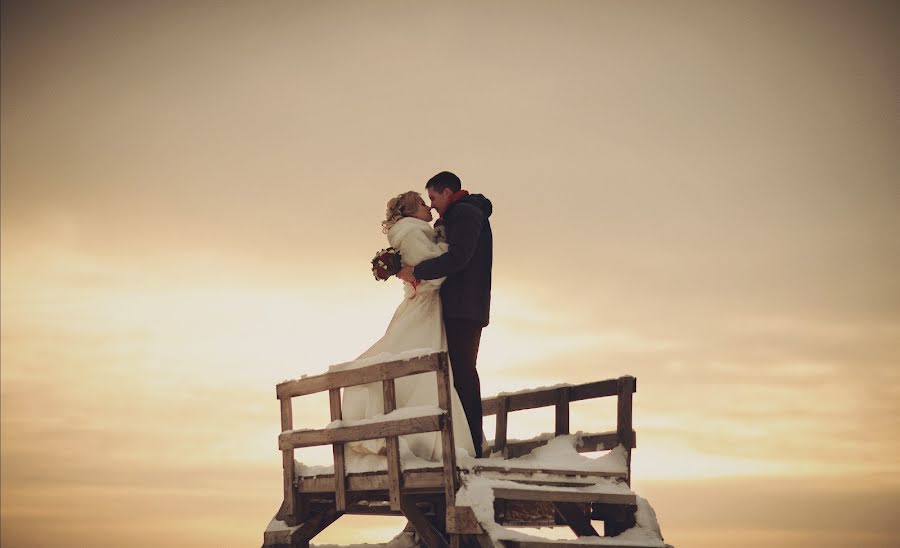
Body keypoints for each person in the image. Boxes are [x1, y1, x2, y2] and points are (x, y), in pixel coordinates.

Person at [340, 191, 475, 461]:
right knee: (422, 366)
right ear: (412, 211)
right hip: (425, 306)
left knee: (423, 367)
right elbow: (434, 276)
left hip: (424, 305)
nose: (429, 208)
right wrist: (447, 246)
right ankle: (425, 440)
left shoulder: (412, 231)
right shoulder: (413, 232)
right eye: (423, 204)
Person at [397, 171, 492, 458]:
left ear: (448, 192)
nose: (433, 204)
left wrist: (418, 272)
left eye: (434, 197)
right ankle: (464, 442)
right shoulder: (457, 215)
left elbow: (458, 257)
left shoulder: (465, 214)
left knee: (463, 374)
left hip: (465, 307)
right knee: (457, 375)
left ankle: (474, 445)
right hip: (461, 306)